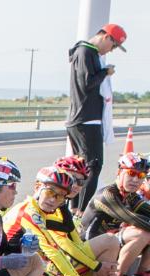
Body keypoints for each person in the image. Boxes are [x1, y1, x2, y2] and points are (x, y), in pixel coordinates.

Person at [3, 166, 150, 276]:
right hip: (24, 275)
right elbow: (55, 251)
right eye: (50, 192)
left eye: (59, 196)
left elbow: (74, 243)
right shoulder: (29, 213)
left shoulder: (53, 209)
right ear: (37, 187)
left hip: (41, 267)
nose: (53, 200)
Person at [67, 23, 128, 212]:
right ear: (106, 37)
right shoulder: (87, 52)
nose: (112, 49)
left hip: (81, 118)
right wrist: (105, 72)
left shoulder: (86, 52)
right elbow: (87, 83)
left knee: (81, 167)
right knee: (93, 166)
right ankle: (80, 211)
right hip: (87, 118)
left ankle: (74, 209)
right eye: (114, 45)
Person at [80, 151, 150, 276]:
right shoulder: (107, 195)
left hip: (110, 244)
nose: (136, 180)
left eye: (141, 176)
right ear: (119, 172)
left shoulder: (130, 195)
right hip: (90, 246)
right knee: (142, 233)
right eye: (131, 173)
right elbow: (131, 218)